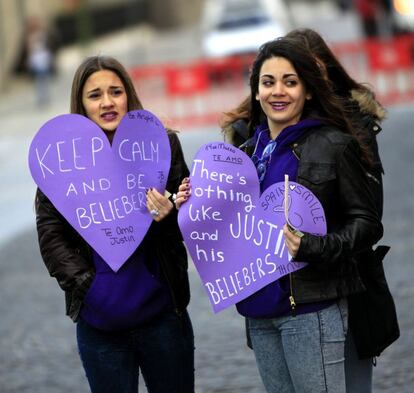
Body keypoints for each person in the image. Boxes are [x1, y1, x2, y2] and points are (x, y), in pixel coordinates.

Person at [177, 37, 382, 392]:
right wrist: (192, 206)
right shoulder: (242, 155)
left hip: (310, 310)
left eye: (290, 82)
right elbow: (226, 230)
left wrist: (312, 247)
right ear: (256, 91)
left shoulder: (333, 145)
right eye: (268, 82)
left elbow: (367, 224)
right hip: (258, 313)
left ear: (309, 91)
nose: (278, 92)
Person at [35, 55, 194, 393]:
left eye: (115, 92)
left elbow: (190, 225)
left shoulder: (163, 146)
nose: (107, 102)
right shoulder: (61, 160)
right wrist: (88, 287)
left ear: (128, 95)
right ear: (81, 103)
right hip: (99, 324)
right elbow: (51, 234)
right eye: (95, 95)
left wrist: (169, 215)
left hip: (163, 315)